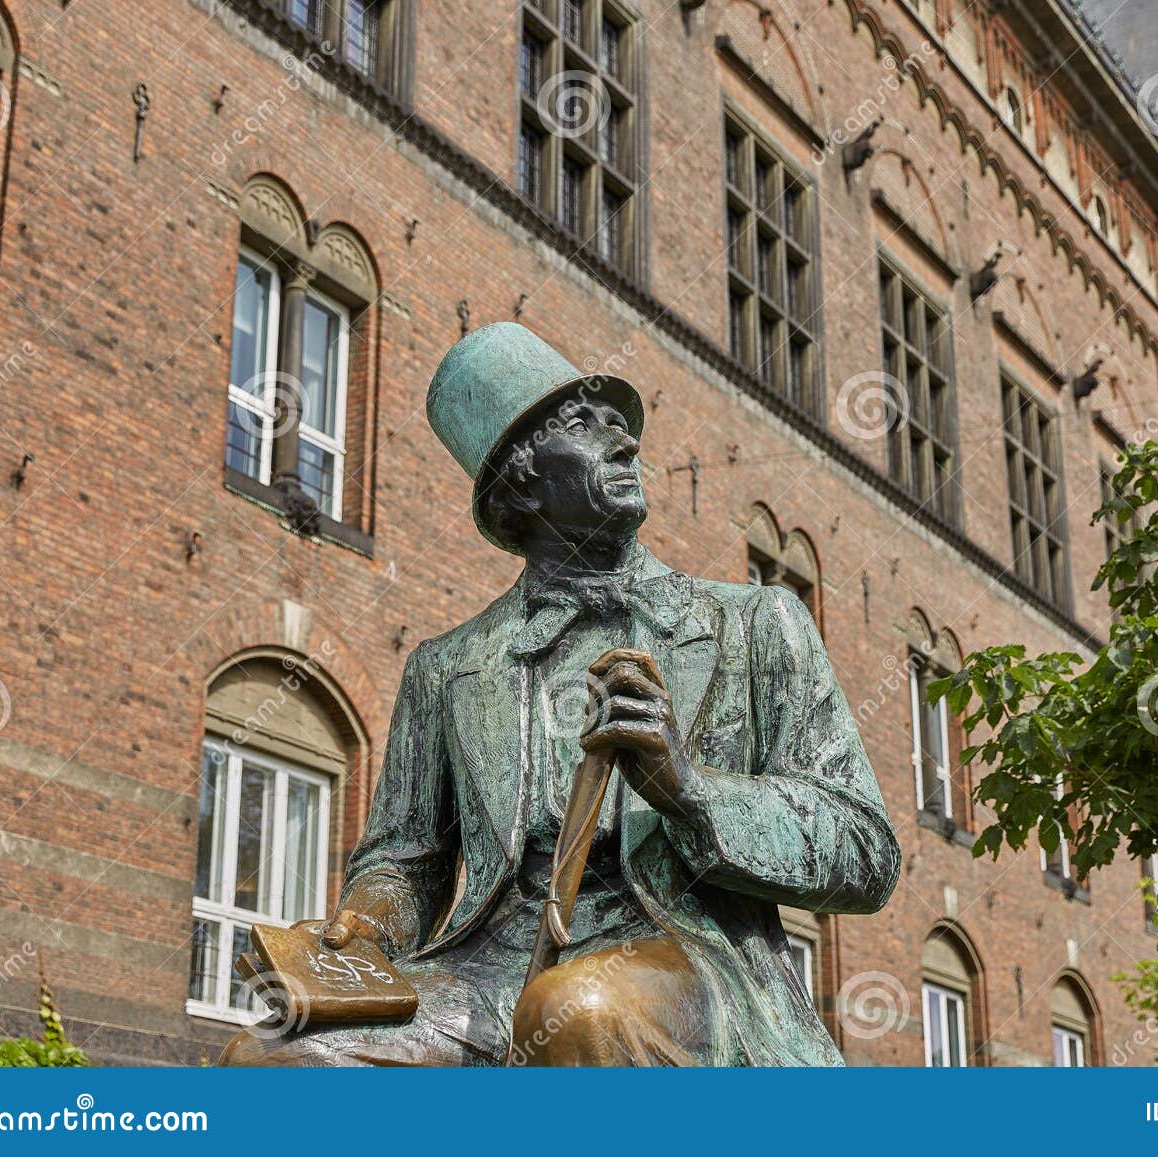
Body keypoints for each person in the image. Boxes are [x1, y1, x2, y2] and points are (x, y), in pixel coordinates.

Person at [220, 322, 900, 1066]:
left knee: (575, 1008)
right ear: (522, 476)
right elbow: (404, 862)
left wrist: (690, 790)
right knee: (267, 1060)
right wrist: (368, 919)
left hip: (692, 970)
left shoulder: (755, 625)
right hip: (482, 977)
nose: (626, 443)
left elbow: (865, 851)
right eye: (584, 424)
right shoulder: (445, 667)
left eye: (623, 425)